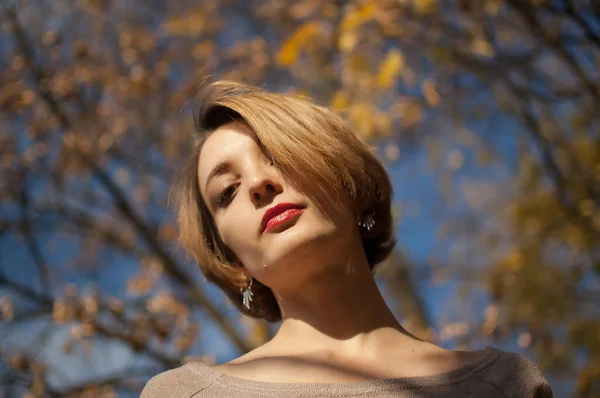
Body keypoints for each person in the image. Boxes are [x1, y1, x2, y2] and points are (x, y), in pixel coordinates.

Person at [141, 81, 553, 397]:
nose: (258, 184)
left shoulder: (506, 384)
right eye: (227, 192)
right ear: (232, 260)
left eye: (281, 156)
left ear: (350, 184)